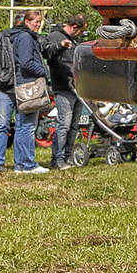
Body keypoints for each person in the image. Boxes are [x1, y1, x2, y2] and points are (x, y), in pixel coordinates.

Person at [0, 9, 50, 174]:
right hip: (6, 87)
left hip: (20, 87)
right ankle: (0, 162)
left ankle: (20, 163)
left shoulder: (30, 37)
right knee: (4, 125)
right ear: (23, 22)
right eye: (33, 21)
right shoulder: (4, 37)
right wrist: (1, 74)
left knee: (22, 124)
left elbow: (46, 49)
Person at [44, 14, 86, 169]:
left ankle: (68, 156)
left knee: (74, 125)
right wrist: (69, 73)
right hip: (63, 87)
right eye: (80, 31)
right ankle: (57, 159)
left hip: (77, 87)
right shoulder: (56, 37)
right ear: (74, 27)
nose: (80, 35)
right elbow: (53, 59)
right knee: (64, 124)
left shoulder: (73, 41)